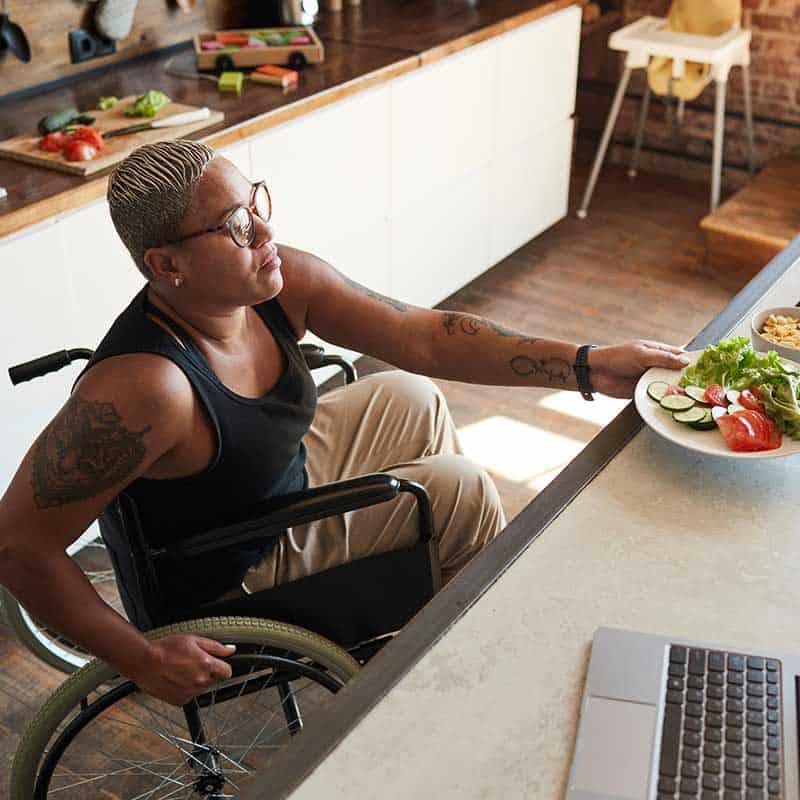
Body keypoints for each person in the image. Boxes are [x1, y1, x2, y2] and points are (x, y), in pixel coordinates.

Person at [0, 140, 689, 706]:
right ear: (165, 264)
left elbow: (422, 335)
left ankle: (424, 614)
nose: (266, 232)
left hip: (265, 482)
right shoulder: (148, 387)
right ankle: (456, 679)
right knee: (458, 488)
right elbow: (17, 544)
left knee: (409, 391)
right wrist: (142, 657)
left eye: (256, 202)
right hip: (227, 567)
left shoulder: (275, 281)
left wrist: (585, 366)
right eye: (234, 226)